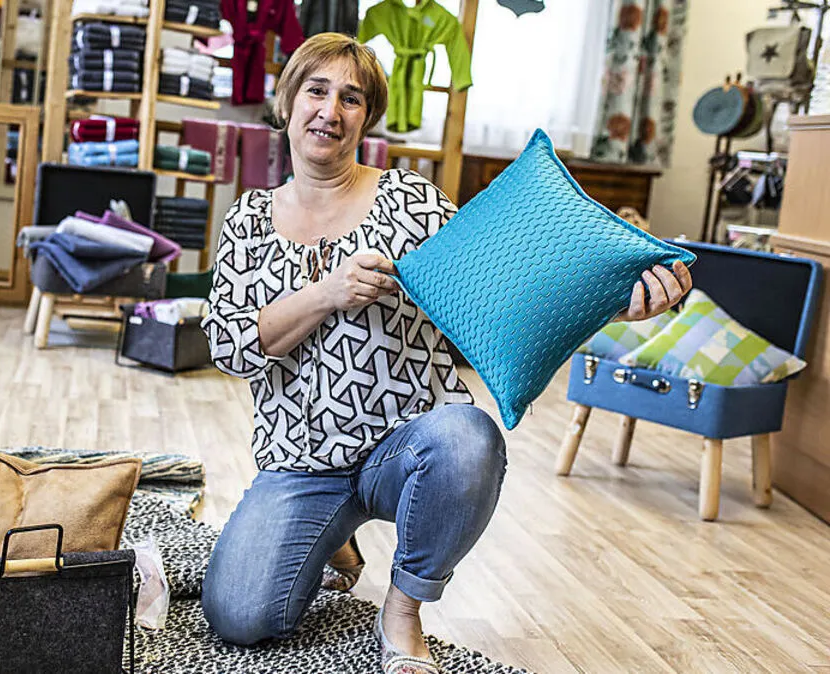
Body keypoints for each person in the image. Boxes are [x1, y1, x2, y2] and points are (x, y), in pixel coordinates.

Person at [199, 32, 692, 673]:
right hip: (302, 462)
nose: (330, 111)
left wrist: (619, 301)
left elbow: (510, 287)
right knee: (238, 616)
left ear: (366, 118)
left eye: (351, 98)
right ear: (288, 102)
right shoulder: (248, 221)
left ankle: (404, 609)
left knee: (470, 437)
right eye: (316, 91)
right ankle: (335, 536)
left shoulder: (410, 202)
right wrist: (326, 293)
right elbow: (230, 347)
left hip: (410, 447)